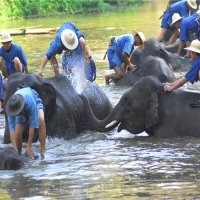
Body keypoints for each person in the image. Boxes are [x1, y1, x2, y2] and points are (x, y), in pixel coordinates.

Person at [6, 86, 46, 159]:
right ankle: (18, 153)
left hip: (34, 100)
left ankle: (43, 150)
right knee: (17, 134)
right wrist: (14, 149)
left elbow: (33, 125)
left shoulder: (30, 101)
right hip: (19, 108)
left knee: (41, 120)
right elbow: (11, 129)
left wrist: (29, 145)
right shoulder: (11, 106)